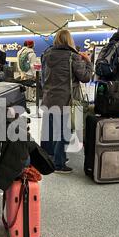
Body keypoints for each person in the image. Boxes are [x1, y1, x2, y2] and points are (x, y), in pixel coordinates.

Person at [41, 29, 92, 174]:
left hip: (48, 97)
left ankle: (49, 158)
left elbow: (43, 77)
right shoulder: (73, 56)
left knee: (49, 130)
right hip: (66, 99)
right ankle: (59, 163)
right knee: (64, 131)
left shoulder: (46, 54)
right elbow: (85, 77)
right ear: (70, 41)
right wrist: (88, 62)